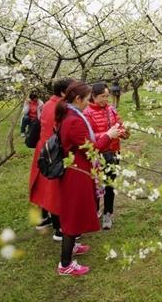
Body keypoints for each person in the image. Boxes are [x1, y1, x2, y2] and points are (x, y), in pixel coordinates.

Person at [55, 82, 122, 276]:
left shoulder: (70, 115)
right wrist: (109, 135)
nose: (88, 103)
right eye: (86, 99)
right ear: (78, 99)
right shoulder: (74, 120)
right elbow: (91, 147)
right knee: (73, 214)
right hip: (75, 173)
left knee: (75, 211)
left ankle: (73, 247)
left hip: (77, 169)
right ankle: (65, 264)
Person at [29, 79, 73, 240]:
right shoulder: (61, 107)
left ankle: (42, 219)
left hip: (44, 149)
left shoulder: (47, 104)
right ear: (63, 92)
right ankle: (60, 228)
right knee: (55, 189)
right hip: (55, 151)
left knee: (43, 186)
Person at [84, 82, 129, 230]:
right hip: (97, 154)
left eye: (107, 96)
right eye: (102, 96)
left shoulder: (111, 110)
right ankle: (95, 210)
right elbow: (88, 137)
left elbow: (119, 125)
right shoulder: (87, 113)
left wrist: (124, 132)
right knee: (96, 185)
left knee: (110, 184)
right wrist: (107, 135)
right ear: (94, 96)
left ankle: (108, 213)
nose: (106, 99)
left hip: (113, 152)